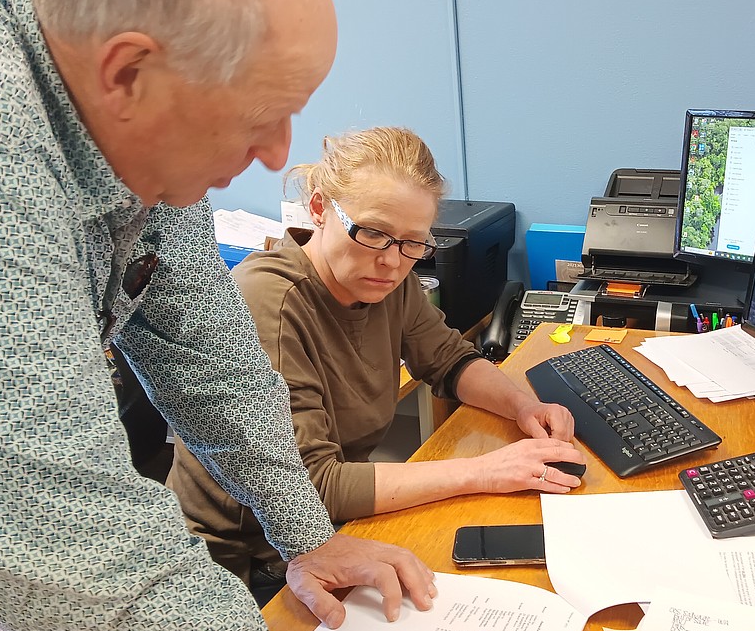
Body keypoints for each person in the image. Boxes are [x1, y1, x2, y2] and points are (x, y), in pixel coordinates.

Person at [0, 0, 479, 631]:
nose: (281, 154)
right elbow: (63, 518)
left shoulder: (119, 104)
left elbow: (212, 360)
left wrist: (306, 537)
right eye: (258, 116)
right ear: (127, 70)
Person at [169, 128, 584, 594]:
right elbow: (312, 488)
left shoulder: (387, 276)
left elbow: (449, 360)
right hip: (253, 563)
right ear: (320, 208)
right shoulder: (270, 302)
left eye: (414, 243)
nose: (392, 261)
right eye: (372, 233)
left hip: (333, 529)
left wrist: (521, 405)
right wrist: (484, 471)